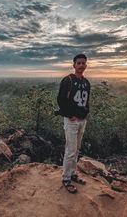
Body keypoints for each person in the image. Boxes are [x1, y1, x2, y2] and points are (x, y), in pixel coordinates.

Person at [57, 54, 90, 193]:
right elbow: (60, 99)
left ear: (86, 65)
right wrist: (69, 115)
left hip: (82, 120)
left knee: (76, 150)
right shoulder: (68, 80)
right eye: (79, 63)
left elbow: (86, 100)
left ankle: (73, 173)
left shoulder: (86, 82)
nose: (81, 65)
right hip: (71, 121)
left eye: (83, 63)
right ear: (74, 65)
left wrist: (87, 112)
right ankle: (66, 178)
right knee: (70, 151)